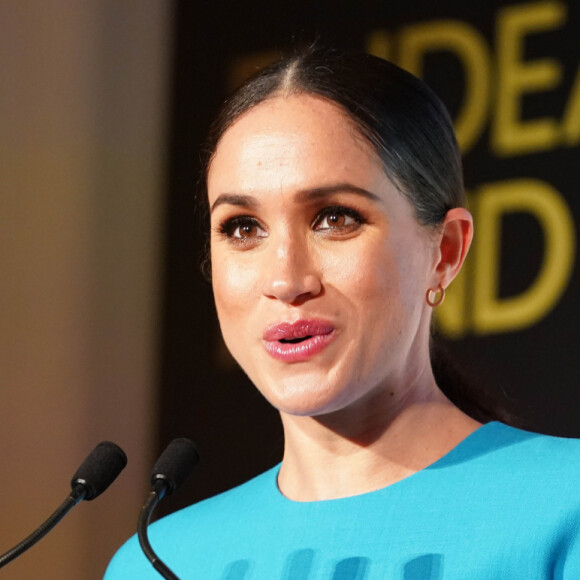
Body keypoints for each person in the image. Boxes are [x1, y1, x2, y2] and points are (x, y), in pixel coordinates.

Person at [105, 48, 580, 579]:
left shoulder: (565, 506)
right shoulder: (157, 563)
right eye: (243, 228)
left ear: (444, 251)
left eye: (335, 218)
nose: (285, 279)